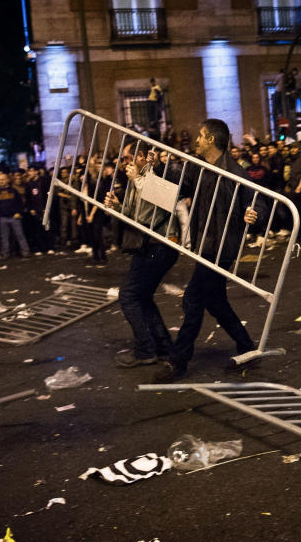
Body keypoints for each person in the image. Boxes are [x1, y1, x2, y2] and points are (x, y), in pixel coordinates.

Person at [154, 118, 259, 383]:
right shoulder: (198, 169)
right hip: (204, 245)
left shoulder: (236, 172)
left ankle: (179, 361)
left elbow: (258, 202)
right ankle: (248, 347)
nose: (197, 140)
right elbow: (176, 187)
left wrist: (252, 214)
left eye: (201, 136)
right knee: (215, 301)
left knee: (193, 299)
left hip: (223, 247)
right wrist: (154, 168)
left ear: (211, 139)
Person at [105, 144, 181, 368]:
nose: (125, 162)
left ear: (142, 157)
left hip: (157, 246)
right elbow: (134, 216)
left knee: (129, 296)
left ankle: (146, 350)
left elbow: (147, 217)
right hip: (151, 246)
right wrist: (118, 207)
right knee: (142, 296)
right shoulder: (137, 179)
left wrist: (138, 179)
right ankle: (163, 347)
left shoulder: (153, 176)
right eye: (123, 158)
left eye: (130, 157)